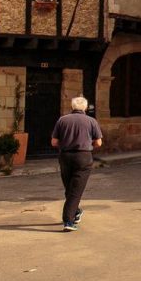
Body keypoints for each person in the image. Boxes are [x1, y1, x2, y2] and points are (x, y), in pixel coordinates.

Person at [50, 95, 102, 232]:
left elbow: (54, 142)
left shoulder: (62, 120)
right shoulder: (91, 121)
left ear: (72, 107)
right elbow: (98, 142)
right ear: (85, 107)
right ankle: (68, 220)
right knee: (76, 190)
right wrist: (86, 144)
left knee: (70, 188)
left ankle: (76, 211)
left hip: (65, 156)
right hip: (83, 156)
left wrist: (66, 143)